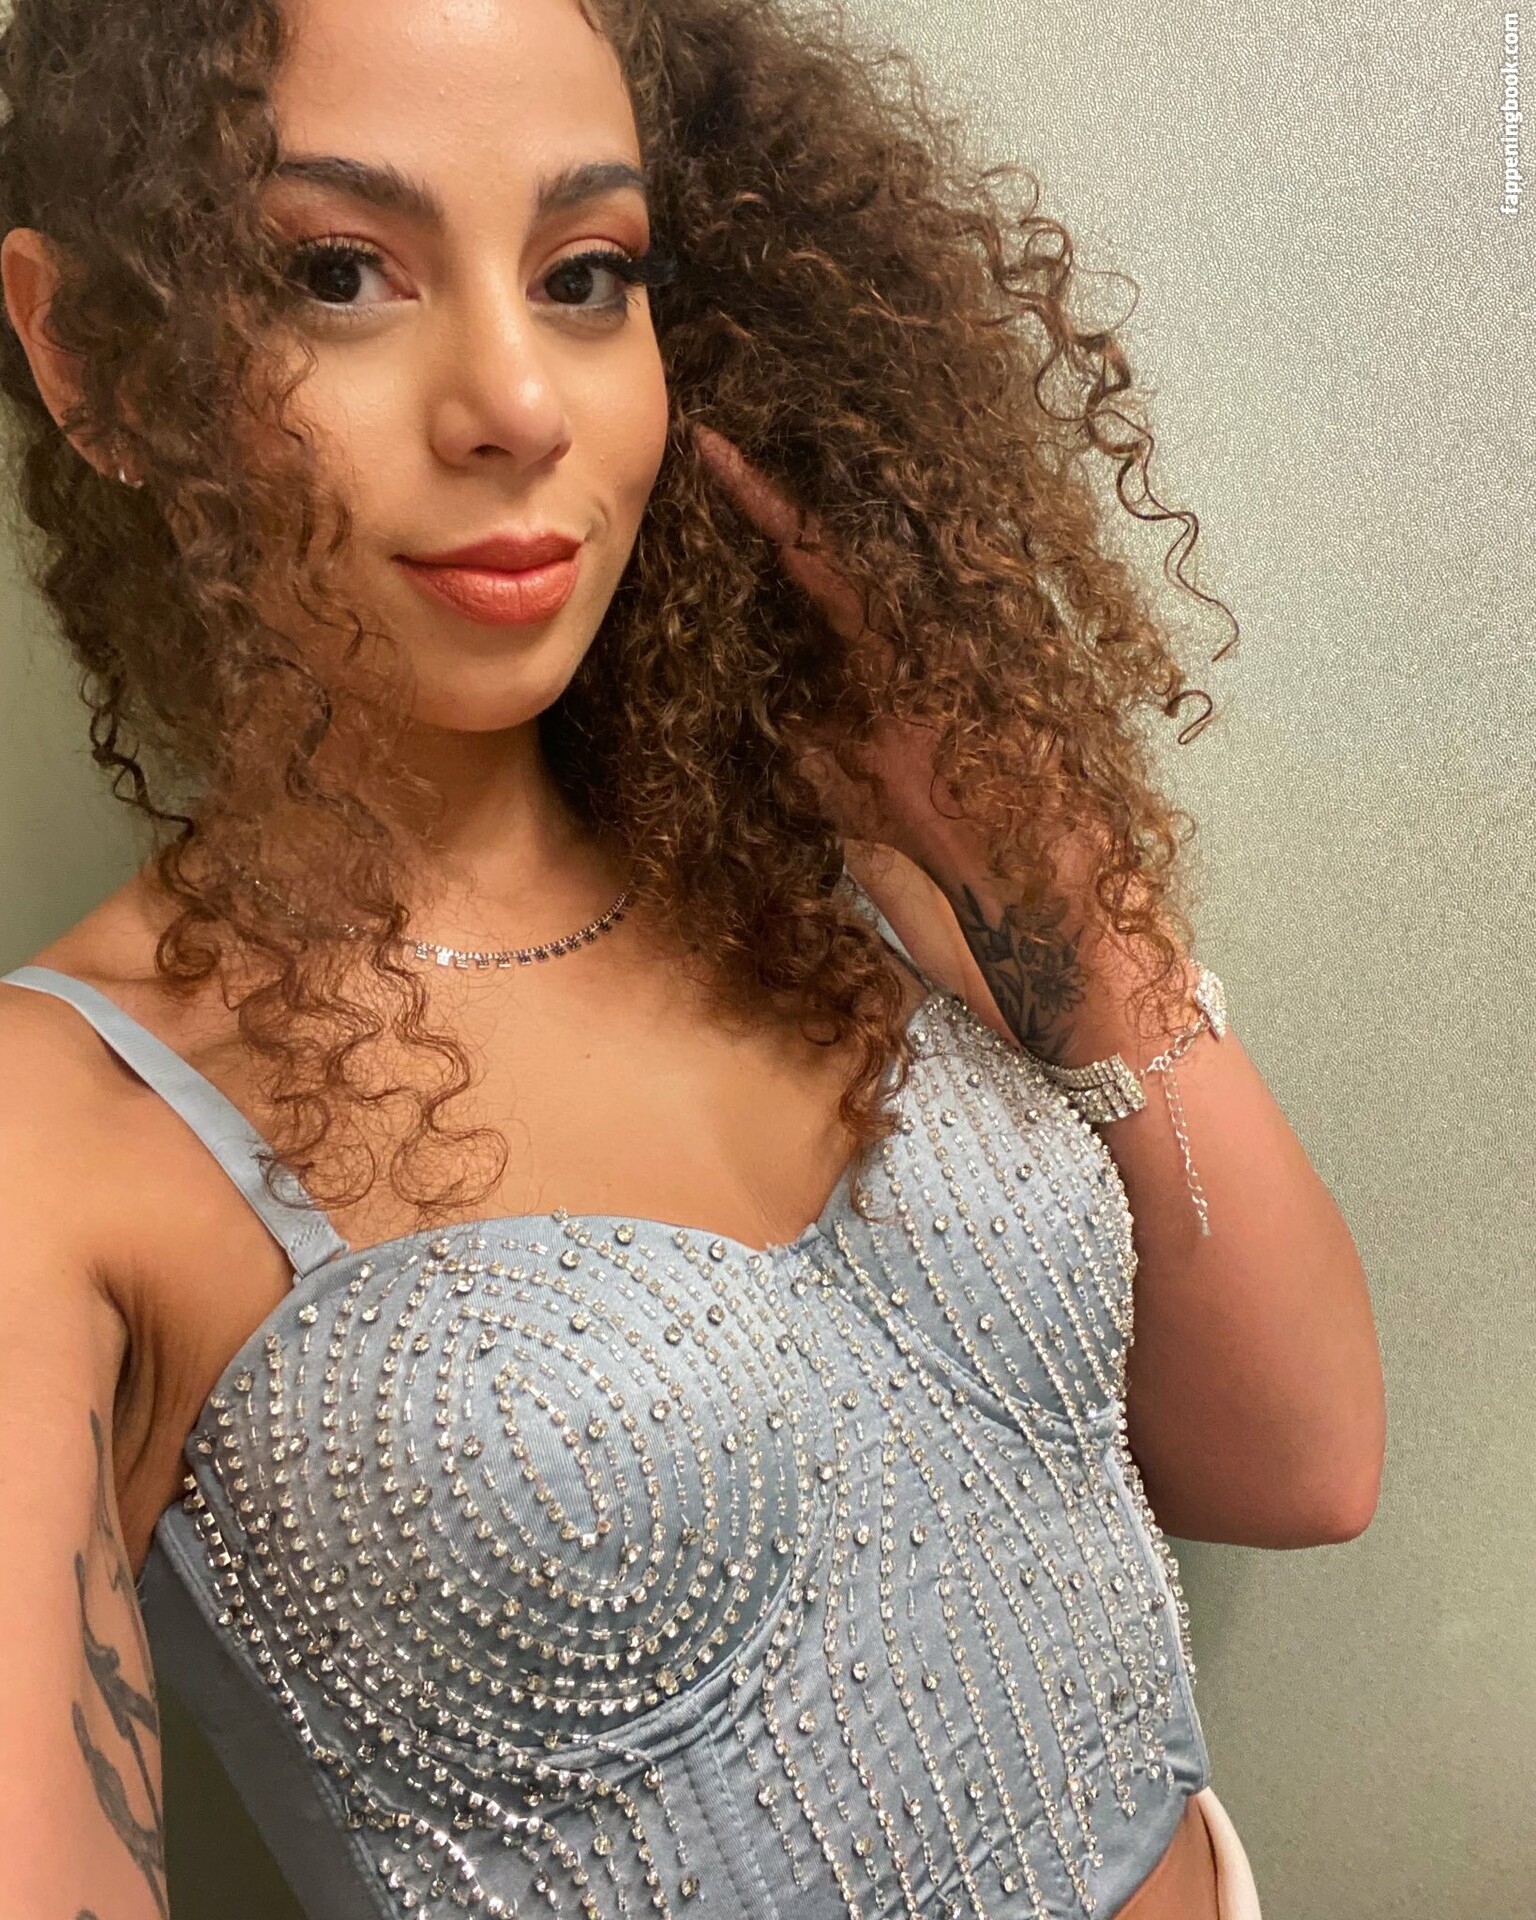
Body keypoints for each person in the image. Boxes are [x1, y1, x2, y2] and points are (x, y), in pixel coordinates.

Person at [0, 0, 1386, 1916]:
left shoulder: (832, 871)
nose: (517, 402)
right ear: (88, 352)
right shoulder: (63, 1140)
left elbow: (1299, 1463)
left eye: (585, 275)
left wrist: (1056, 887)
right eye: (338, 273)